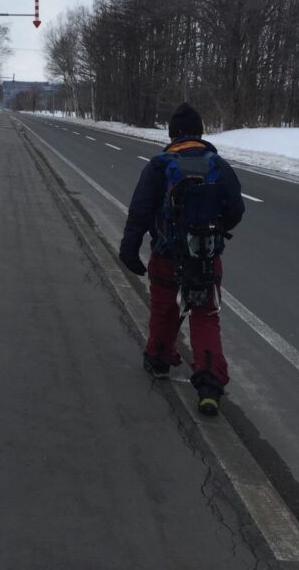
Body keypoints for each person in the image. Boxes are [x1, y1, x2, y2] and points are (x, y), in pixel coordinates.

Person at [118, 103, 245, 416]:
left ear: (171, 134)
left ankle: (159, 360)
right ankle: (209, 385)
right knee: (206, 315)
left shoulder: (160, 165)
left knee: (165, 308)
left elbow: (140, 212)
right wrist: (213, 232)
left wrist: (130, 249)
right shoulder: (218, 164)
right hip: (206, 257)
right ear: (200, 132)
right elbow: (236, 210)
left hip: (166, 255)